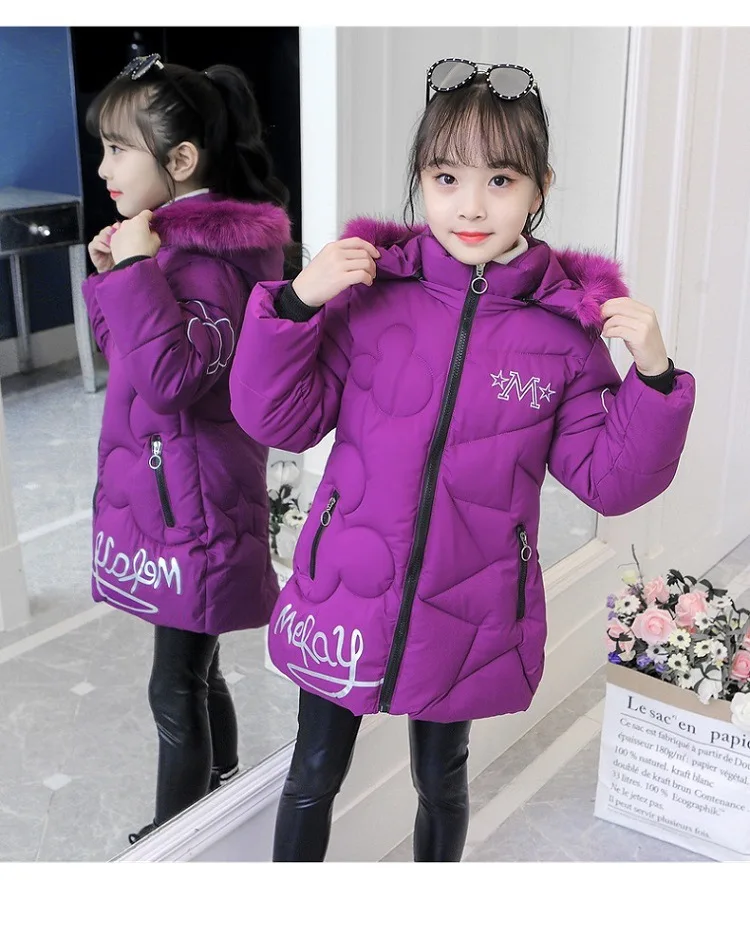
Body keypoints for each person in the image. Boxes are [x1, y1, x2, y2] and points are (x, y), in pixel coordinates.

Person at [229, 59, 696, 862]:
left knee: (441, 781)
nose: (471, 206)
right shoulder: (370, 296)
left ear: (540, 187)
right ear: (421, 177)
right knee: (312, 773)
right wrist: (297, 302)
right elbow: (279, 418)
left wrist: (654, 377)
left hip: (471, 606)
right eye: (447, 178)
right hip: (347, 587)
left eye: (500, 179)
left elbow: (609, 479)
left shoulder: (563, 334)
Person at [82, 53, 291, 844]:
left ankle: (175, 842)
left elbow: (172, 380)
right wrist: (115, 273)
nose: (104, 169)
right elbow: (129, 362)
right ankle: (221, 790)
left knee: (173, 688)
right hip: (176, 498)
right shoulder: (166, 245)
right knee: (195, 670)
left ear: (181, 160)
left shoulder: (213, 265)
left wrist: (137, 269)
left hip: (196, 507)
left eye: (118, 149)